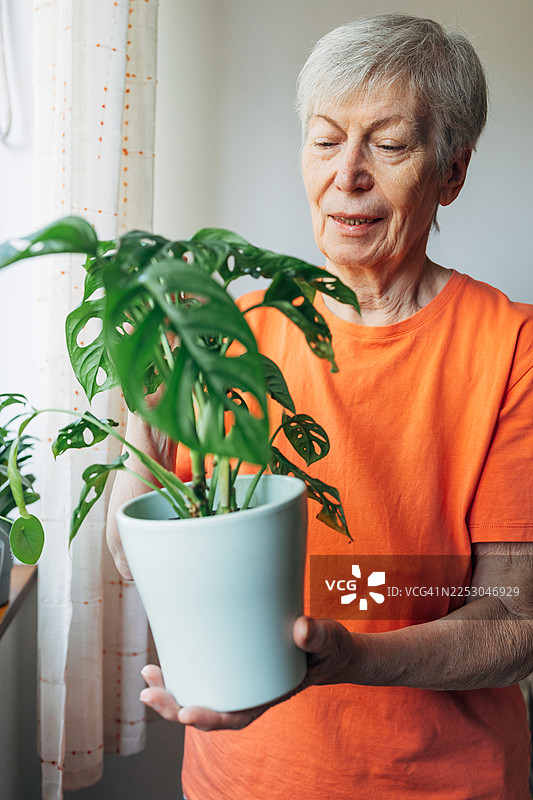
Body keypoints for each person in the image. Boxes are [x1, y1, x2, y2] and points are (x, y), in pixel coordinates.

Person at [107, 13, 533, 799]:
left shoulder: (511, 347)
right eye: (325, 139)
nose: (348, 175)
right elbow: (141, 553)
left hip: (447, 782)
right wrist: (141, 408)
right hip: (246, 779)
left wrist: (351, 659)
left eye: (389, 144)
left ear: (452, 171)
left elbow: (515, 622)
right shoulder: (231, 333)